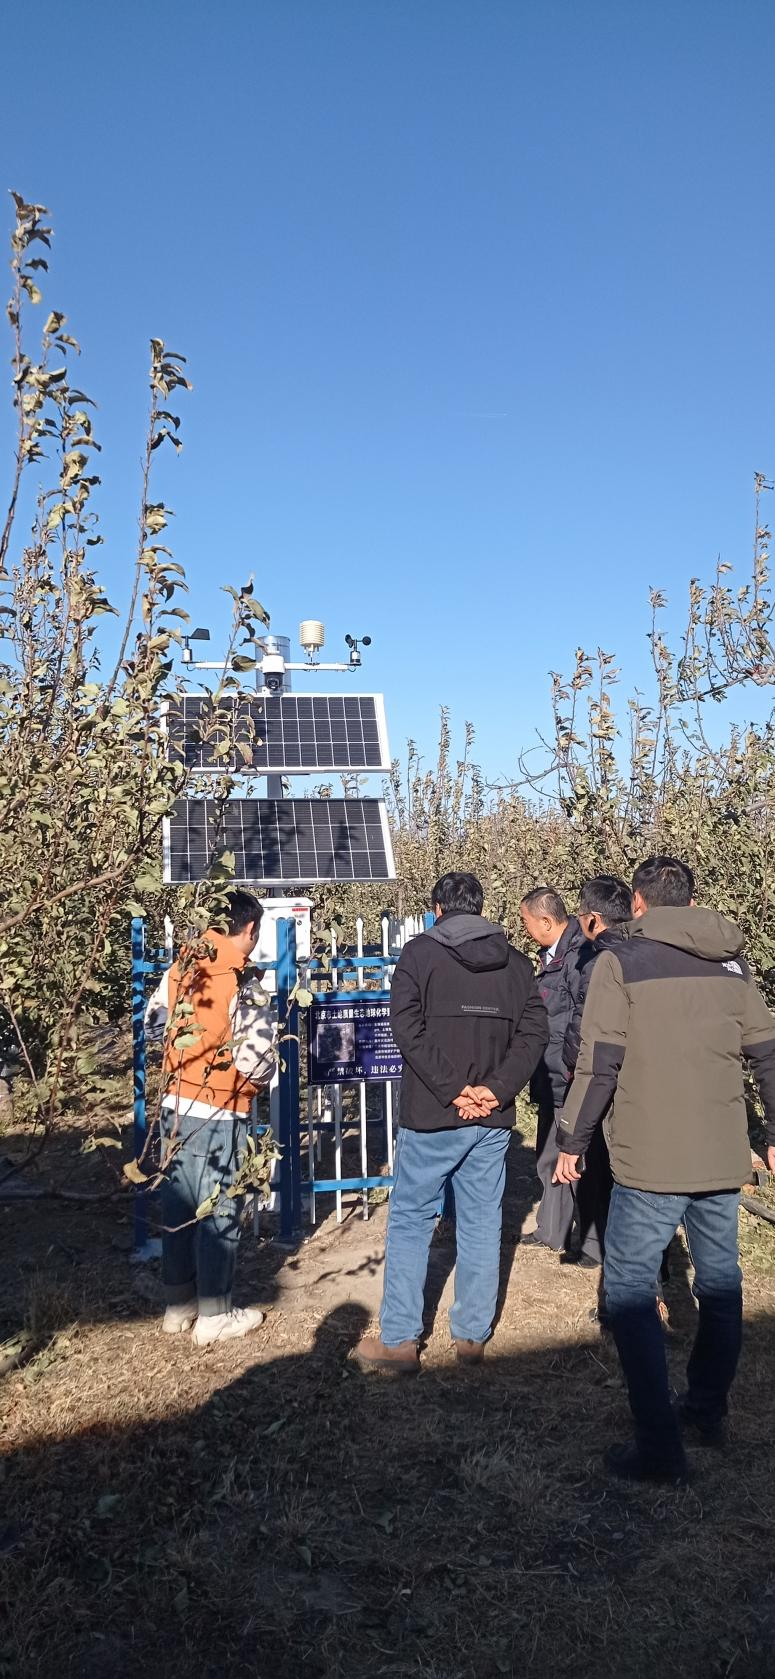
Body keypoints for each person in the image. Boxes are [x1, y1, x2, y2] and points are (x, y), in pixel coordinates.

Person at [555, 855, 775, 1483]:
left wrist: (572, 1139)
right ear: (692, 900)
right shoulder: (732, 964)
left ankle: (658, 1446)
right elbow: (768, 1054)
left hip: (651, 1159)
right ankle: (706, 1411)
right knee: (722, 1283)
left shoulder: (622, 962)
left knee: (627, 1288)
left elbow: (599, 1063)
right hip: (720, 1155)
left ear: (639, 903)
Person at [353, 872, 548, 1373]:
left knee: (412, 1220)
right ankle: (472, 1336)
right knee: (482, 1220)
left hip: (431, 1115)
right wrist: (495, 1089)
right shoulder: (517, 963)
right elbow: (534, 1035)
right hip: (492, 1117)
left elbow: (406, 1027)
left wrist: (452, 1088)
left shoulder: (419, 954)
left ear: (437, 909)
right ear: (480, 909)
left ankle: (400, 1342)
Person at [146, 889, 275, 1346]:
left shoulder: (182, 966)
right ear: (250, 928)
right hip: (221, 1108)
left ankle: (178, 1303)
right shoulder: (242, 981)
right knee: (221, 1208)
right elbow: (257, 1058)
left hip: (175, 1105)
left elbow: (154, 1024)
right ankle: (215, 1313)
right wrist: (255, 1083)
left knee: (179, 1204)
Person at [562, 874, 632, 1269]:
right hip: (635, 1080)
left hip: (601, 1076)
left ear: (593, 918)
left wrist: (571, 1066)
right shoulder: (645, 952)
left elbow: (584, 1027)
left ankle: (605, 1250)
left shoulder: (600, 961)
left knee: (600, 1169)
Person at [519, 887, 585, 1254]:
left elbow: (580, 1019)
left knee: (571, 1157)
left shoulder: (578, 957)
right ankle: (552, 1231)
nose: (524, 928)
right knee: (549, 1153)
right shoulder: (553, 956)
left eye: (526, 921)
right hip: (551, 1074)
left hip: (567, 1075)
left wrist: (568, 1066)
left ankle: (587, 1238)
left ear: (545, 921)